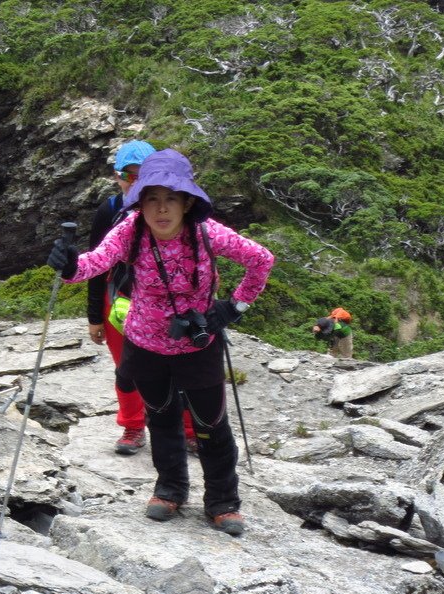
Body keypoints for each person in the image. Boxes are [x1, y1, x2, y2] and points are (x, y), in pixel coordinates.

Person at [47, 149, 275, 536]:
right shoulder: (130, 230)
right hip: (145, 344)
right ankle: (170, 490)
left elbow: (261, 259)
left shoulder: (206, 233)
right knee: (162, 419)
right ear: (141, 201)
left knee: (210, 424)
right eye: (152, 198)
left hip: (197, 345)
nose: (161, 209)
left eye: (171, 198)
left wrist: (234, 307)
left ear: (188, 202)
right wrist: (69, 264)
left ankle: (223, 501)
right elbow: (94, 264)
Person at [86, 140, 197, 456]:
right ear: (117, 176)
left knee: (181, 368)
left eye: (142, 174)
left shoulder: (176, 208)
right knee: (127, 368)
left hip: (170, 303)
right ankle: (133, 427)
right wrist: (95, 317)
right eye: (128, 175)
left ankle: (190, 430)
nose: (134, 182)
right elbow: (96, 264)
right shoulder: (109, 211)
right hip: (120, 300)